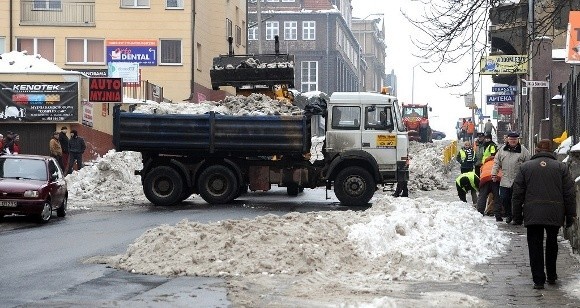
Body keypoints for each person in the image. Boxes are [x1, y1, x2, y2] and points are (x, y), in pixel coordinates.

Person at [512, 139, 577, 290]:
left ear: (536, 150)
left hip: (532, 211)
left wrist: (516, 214)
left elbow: (517, 193)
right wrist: (570, 214)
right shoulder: (561, 167)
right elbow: (569, 193)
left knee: (534, 246)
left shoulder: (526, 167)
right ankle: (552, 276)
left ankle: (538, 280)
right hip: (555, 212)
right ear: (552, 150)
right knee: (552, 243)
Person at [491, 132, 530, 224]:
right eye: (511, 139)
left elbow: (528, 165)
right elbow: (497, 163)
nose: (513, 141)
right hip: (505, 179)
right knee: (504, 198)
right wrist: (494, 174)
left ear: (518, 140)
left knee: (517, 200)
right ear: (508, 140)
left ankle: (517, 218)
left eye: (515, 139)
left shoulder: (523, 150)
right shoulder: (502, 150)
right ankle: (509, 215)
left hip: (518, 180)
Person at [476, 155, 502, 220]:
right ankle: (498, 215)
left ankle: (480, 212)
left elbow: (481, 174)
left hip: (485, 180)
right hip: (496, 179)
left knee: (482, 196)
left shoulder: (484, 165)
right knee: (497, 197)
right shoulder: (498, 163)